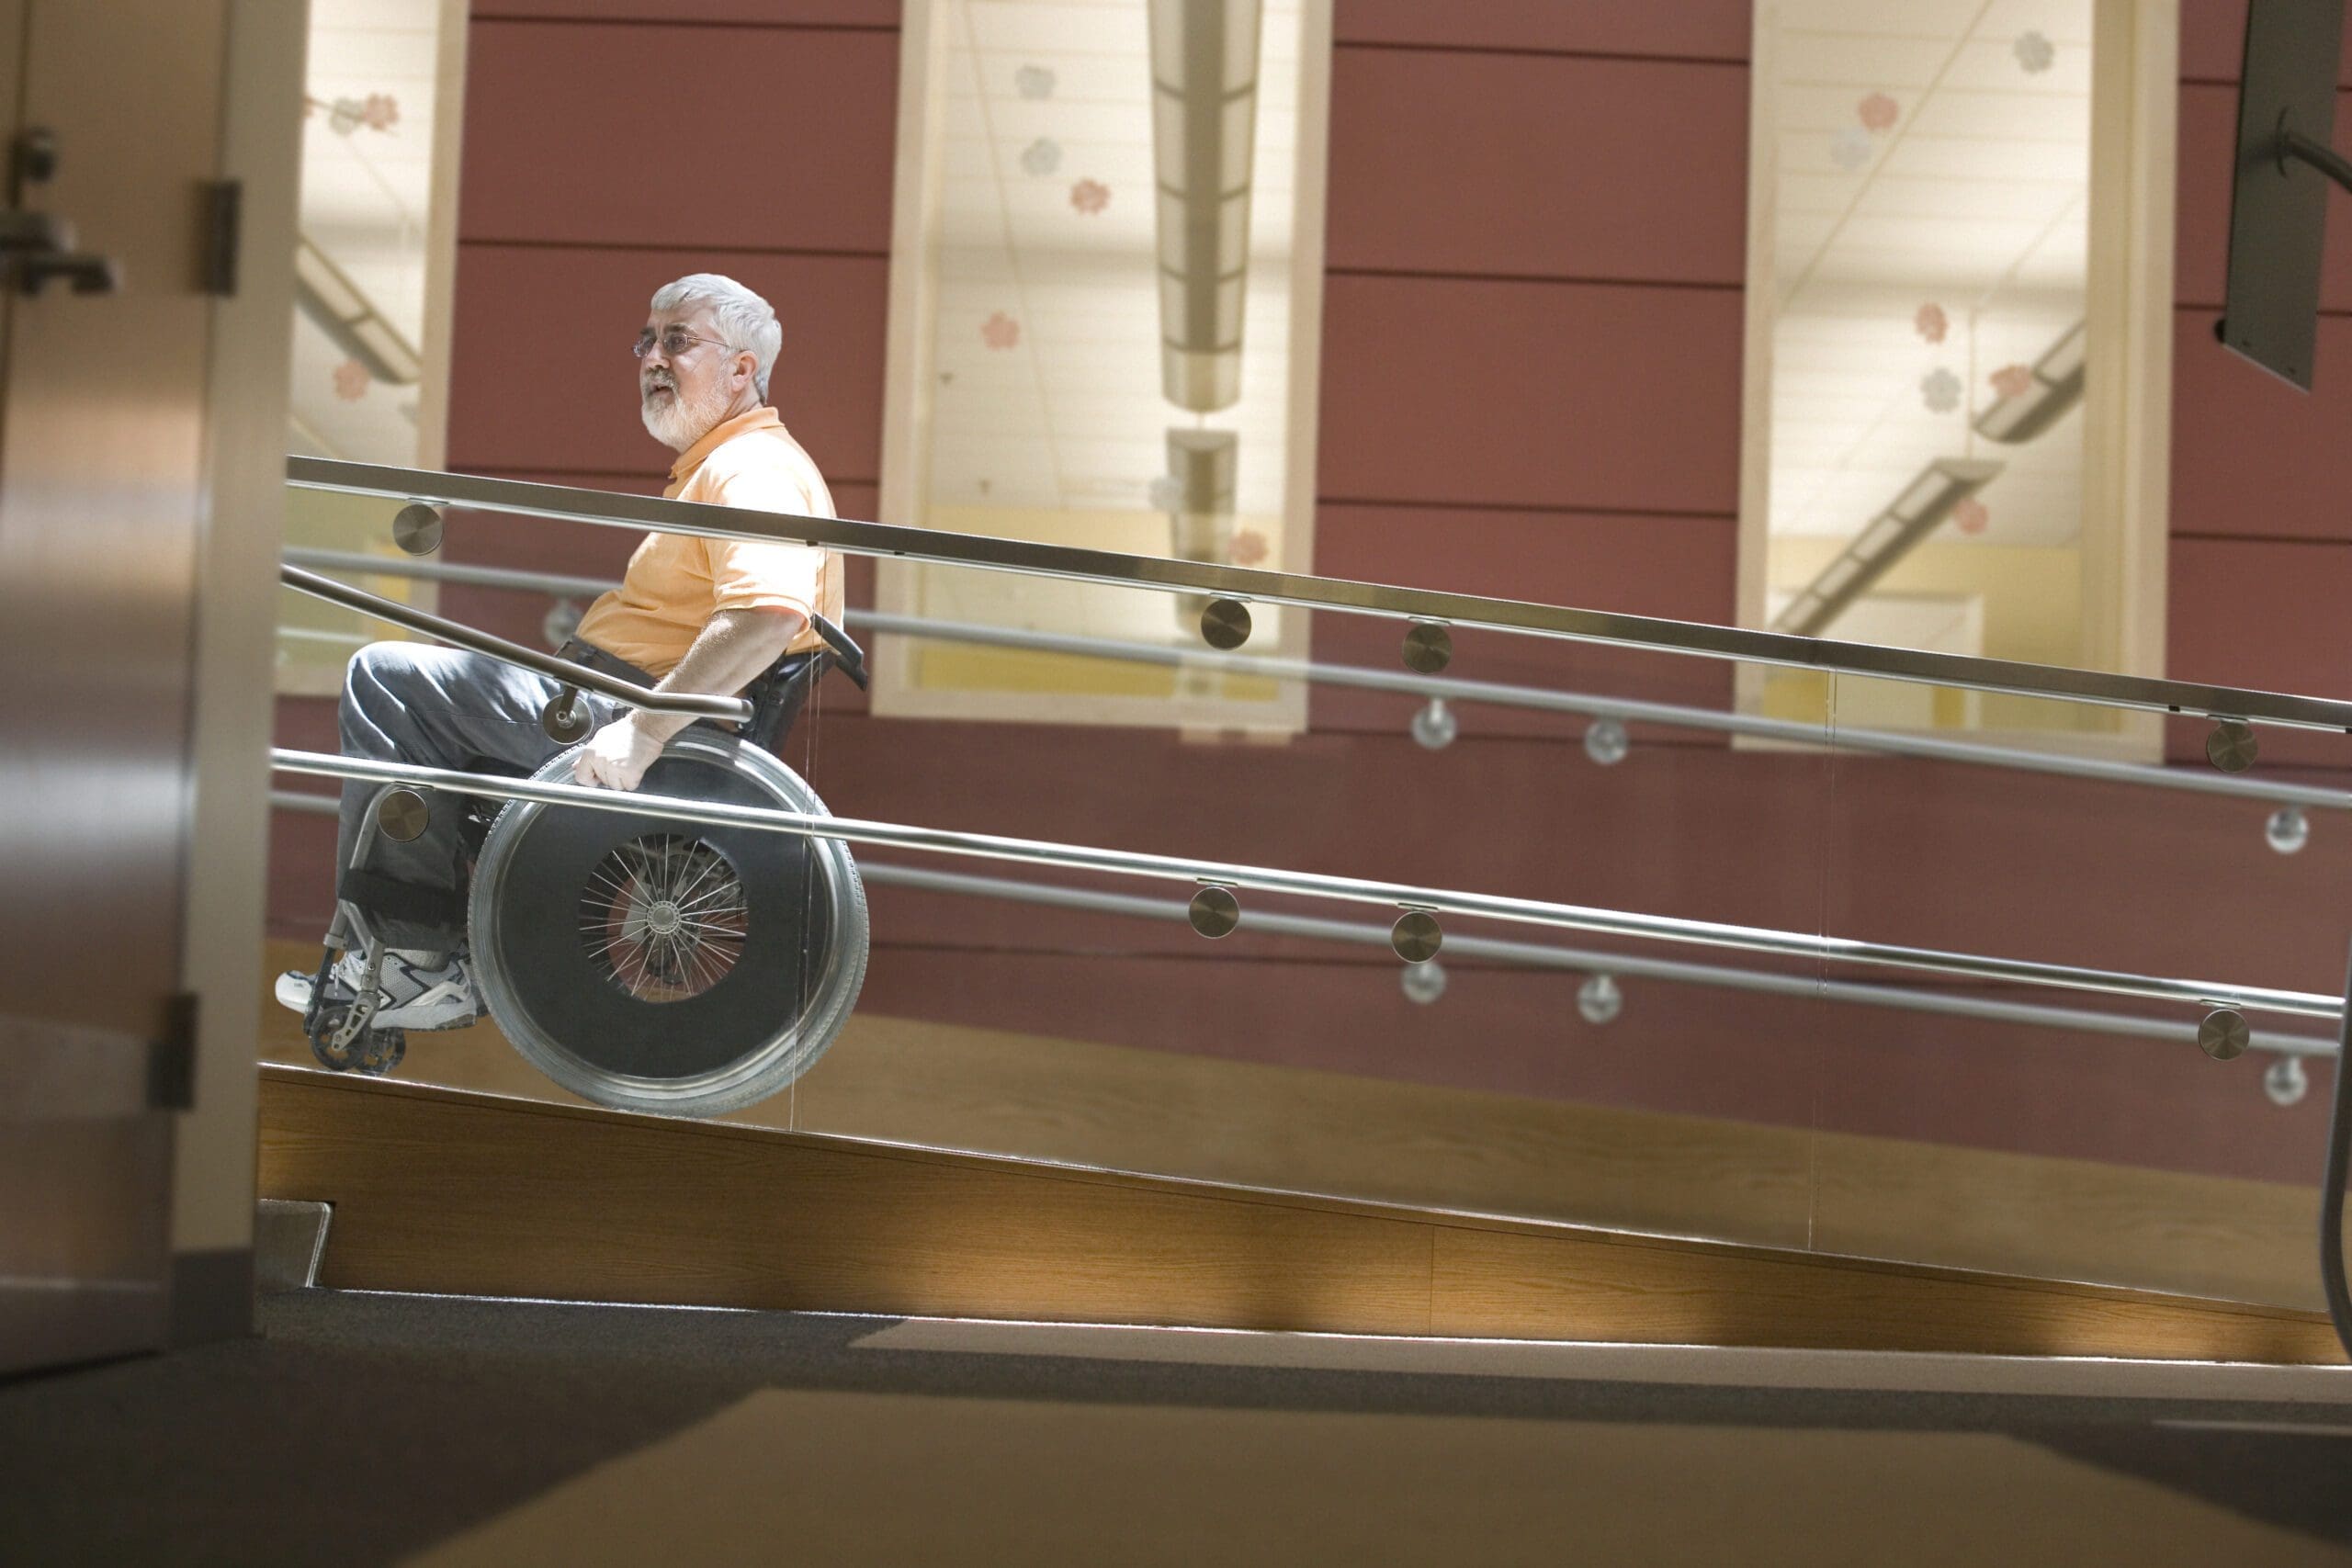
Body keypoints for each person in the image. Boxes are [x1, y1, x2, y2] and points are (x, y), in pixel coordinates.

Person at [277, 272, 843, 1029]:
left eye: (677, 341)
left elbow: (768, 614)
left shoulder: (754, 469)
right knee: (422, 691)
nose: (651, 357)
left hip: (630, 716)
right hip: (608, 697)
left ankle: (410, 961)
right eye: (648, 340)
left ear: (743, 369)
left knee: (387, 677)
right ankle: (410, 953)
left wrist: (642, 732)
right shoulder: (722, 466)